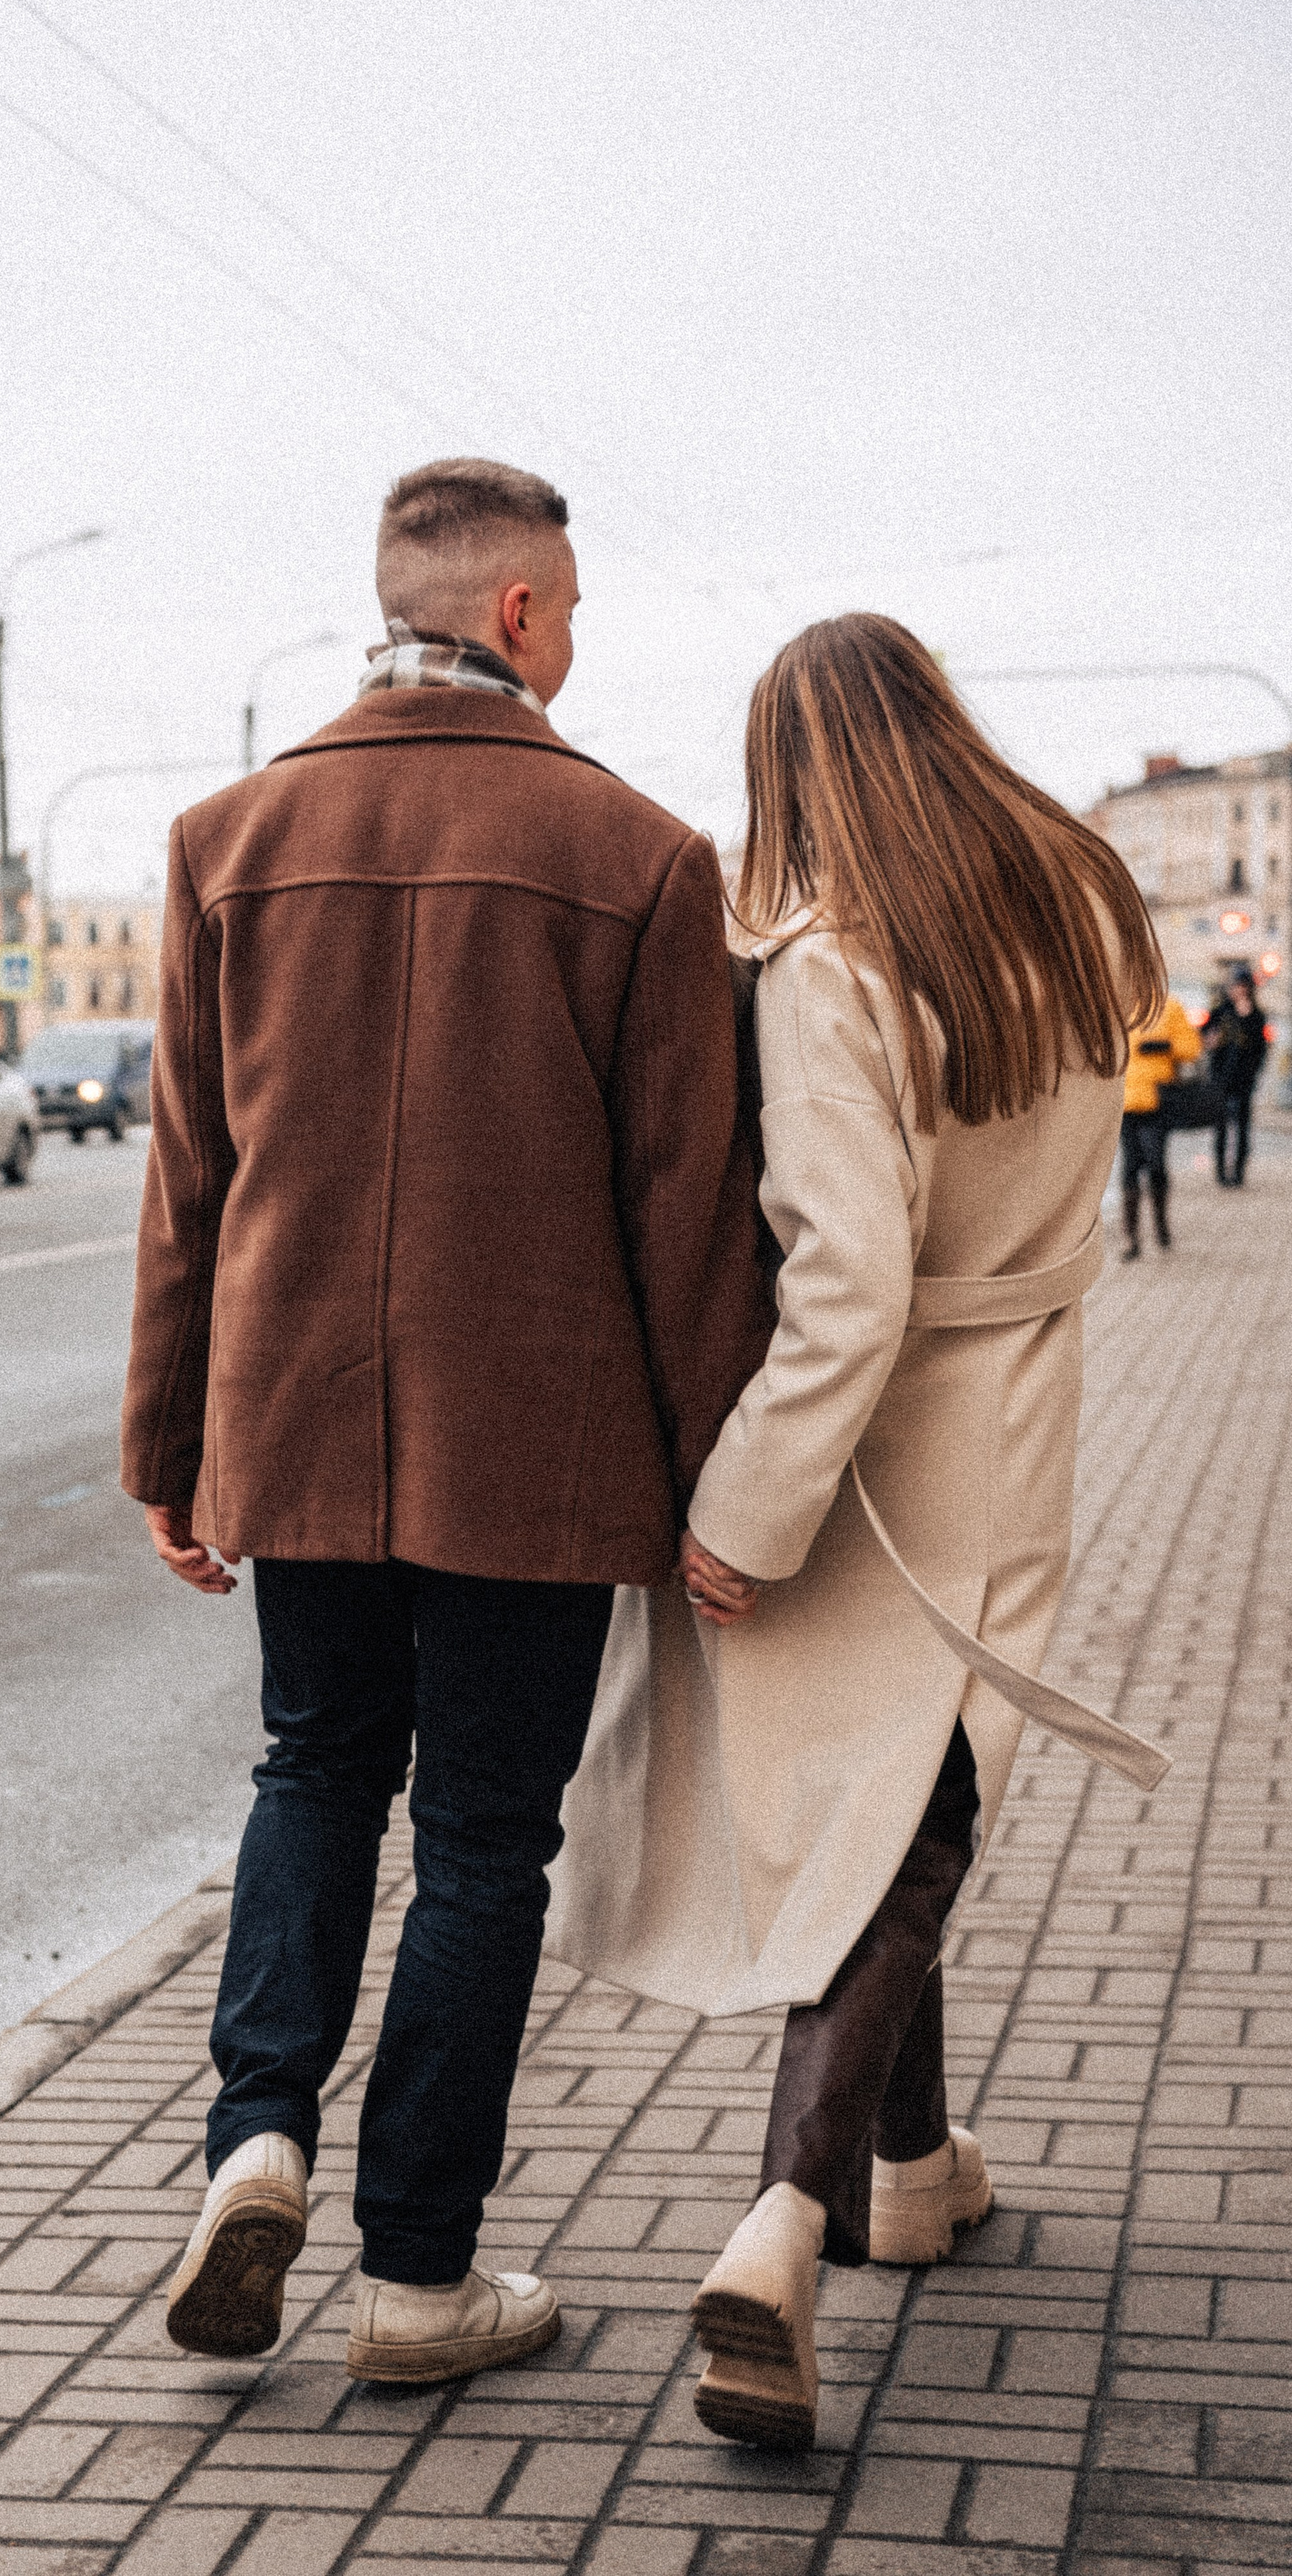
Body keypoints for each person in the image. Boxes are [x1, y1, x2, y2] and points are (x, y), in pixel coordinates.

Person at [120, 458, 771, 2386]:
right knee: (483, 1840)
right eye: (569, 606)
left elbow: (188, 1182)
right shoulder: (640, 857)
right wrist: (726, 1480)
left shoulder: (228, 840)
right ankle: (416, 2278)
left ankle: (255, 2137)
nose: (576, 638)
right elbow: (686, 1208)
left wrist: (169, 1447)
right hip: (540, 1449)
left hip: (294, 1424)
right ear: (513, 612)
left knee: (313, 1768)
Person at [548, 614, 1165, 2452]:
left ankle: (779, 2220)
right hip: (1015, 1420)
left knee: (889, 1831)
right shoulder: (1079, 905)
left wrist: (744, 1509)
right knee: (921, 1797)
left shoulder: (834, 964)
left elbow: (845, 1284)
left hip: (864, 1454)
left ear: (796, 773)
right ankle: (906, 2171)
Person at [1118, 989, 1201, 1255]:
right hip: (1126, 1105)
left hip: (1157, 1102)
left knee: (1156, 1164)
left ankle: (1161, 1226)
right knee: (1130, 1167)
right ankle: (1131, 1238)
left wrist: (1165, 1047)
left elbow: (1192, 1048)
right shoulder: (1120, 1007)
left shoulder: (1169, 1008)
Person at [1205, 966, 1270, 1186]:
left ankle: (1239, 1172)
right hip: (1221, 1076)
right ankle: (1221, 1172)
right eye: (1236, 986)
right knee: (1221, 1126)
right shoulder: (1221, 1011)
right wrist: (1211, 1041)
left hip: (1244, 1078)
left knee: (1242, 1127)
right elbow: (1206, 1035)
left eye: (1243, 986)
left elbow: (1261, 1048)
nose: (1239, 991)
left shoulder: (1257, 1015)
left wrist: (1255, 1071)